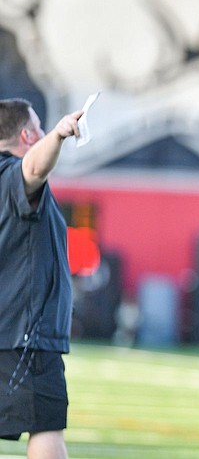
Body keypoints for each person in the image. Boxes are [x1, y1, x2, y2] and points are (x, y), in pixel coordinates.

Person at [0, 98, 84, 459]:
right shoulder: (11, 175)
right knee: (45, 426)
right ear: (27, 134)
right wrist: (60, 133)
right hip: (25, 336)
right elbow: (32, 170)